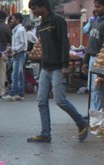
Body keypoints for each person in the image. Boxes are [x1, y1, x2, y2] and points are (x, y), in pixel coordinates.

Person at [27, 0, 89, 143]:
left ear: (43, 6)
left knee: (60, 100)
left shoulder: (57, 21)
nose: (33, 11)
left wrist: (65, 65)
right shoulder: (41, 24)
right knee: (41, 101)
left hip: (57, 68)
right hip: (45, 67)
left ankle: (81, 123)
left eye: (34, 8)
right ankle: (45, 134)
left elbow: (64, 44)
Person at [84, 1, 104, 112]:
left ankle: (99, 114)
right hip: (92, 58)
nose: (96, 9)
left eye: (99, 6)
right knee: (91, 88)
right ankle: (95, 113)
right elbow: (90, 42)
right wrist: (86, 60)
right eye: (95, 6)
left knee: (98, 89)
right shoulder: (95, 21)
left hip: (100, 59)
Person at [3, 13, 27, 102]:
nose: (11, 21)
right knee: (19, 74)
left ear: (18, 20)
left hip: (20, 54)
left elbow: (23, 44)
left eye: (13, 19)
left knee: (15, 74)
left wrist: (13, 49)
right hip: (17, 54)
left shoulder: (21, 30)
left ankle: (12, 94)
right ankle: (20, 94)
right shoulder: (16, 30)